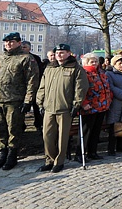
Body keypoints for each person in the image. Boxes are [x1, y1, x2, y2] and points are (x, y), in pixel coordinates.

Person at [0, 31, 40, 171]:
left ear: (19, 43)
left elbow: (32, 81)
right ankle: (1, 155)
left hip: (15, 100)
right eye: (6, 42)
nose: (9, 44)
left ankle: (12, 156)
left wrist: (28, 101)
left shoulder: (26, 58)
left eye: (12, 42)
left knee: (14, 129)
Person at [36, 44, 88, 173]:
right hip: (48, 108)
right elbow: (42, 86)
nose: (59, 55)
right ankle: (49, 160)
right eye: (57, 52)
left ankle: (59, 162)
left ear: (69, 53)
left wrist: (77, 104)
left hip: (64, 108)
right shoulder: (49, 68)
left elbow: (80, 89)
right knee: (47, 136)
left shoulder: (76, 69)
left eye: (62, 52)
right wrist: (40, 102)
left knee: (62, 137)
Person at [79, 53, 112, 160]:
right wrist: (83, 103)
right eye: (91, 61)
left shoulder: (101, 73)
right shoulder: (83, 73)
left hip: (101, 106)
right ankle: (81, 154)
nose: (94, 63)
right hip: (89, 106)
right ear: (86, 62)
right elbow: (79, 90)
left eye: (96, 61)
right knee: (86, 131)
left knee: (96, 131)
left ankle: (92, 152)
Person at [21, 41, 45, 130]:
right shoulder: (18, 57)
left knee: (36, 106)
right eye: (22, 47)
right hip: (21, 87)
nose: (23, 49)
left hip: (34, 86)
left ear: (29, 48)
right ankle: (21, 124)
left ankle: (38, 124)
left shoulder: (35, 58)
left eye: (25, 47)